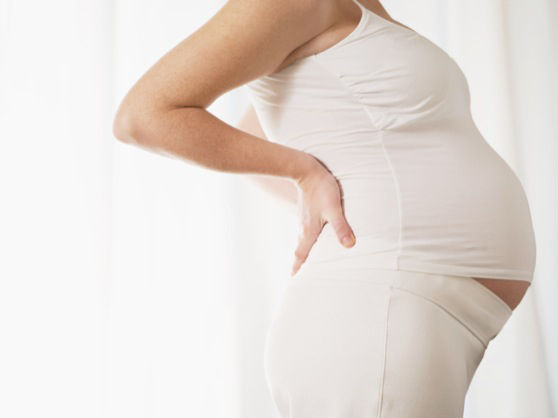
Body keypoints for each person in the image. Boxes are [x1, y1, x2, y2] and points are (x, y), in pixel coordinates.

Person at [112, 0, 537, 416]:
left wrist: (328, 189)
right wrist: (303, 172)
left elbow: (257, 128)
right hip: (378, 313)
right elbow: (144, 115)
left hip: (413, 313)